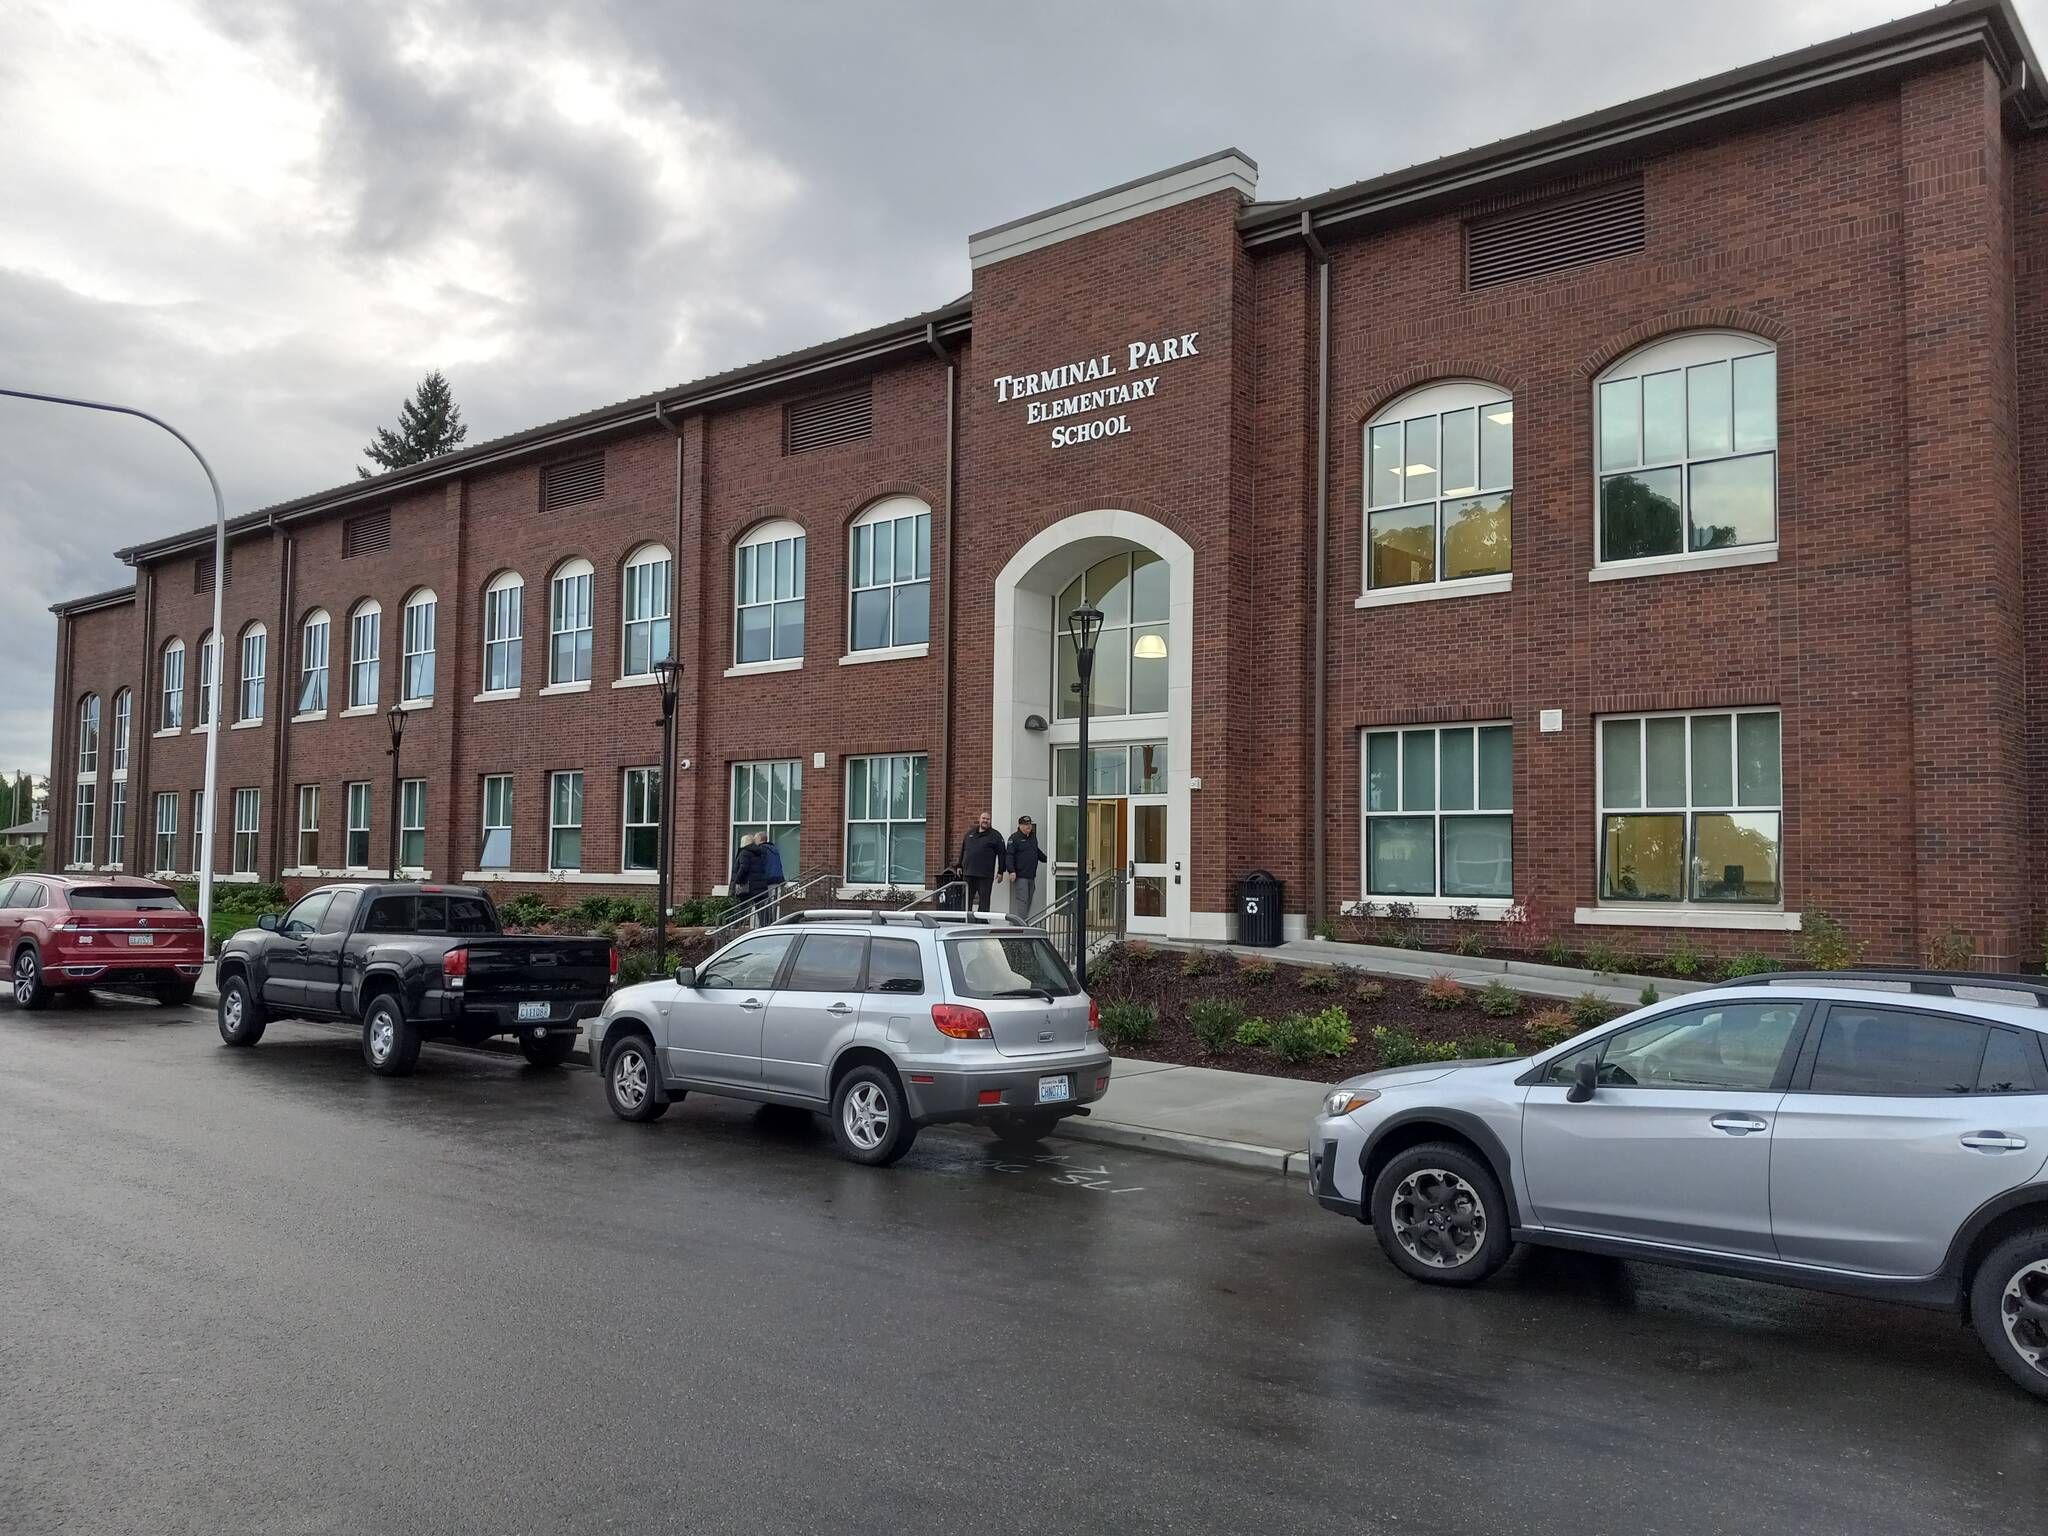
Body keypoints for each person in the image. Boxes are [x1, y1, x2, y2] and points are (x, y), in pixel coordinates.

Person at [954, 811, 1007, 914]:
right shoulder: (970, 834)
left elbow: (1002, 854)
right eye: (983, 818)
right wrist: (959, 865)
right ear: (979, 819)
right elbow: (963, 850)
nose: (985, 821)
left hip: (985, 875)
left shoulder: (996, 836)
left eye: (987, 819)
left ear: (990, 821)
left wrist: (1001, 871)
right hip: (968, 873)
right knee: (966, 900)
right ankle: (965, 920)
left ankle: (982, 922)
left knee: (984, 900)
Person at [1005, 814, 1045, 923]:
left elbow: (1036, 851)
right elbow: (1009, 855)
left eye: (1030, 824)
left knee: (1029, 900)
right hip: (1020, 876)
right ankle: (1021, 926)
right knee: (1023, 901)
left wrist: (1048, 859)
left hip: (1031, 875)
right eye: (1026, 824)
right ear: (1020, 826)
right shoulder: (1014, 838)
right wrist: (1011, 871)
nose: (1029, 826)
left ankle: (1022, 922)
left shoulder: (1032, 837)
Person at [731, 832, 763, 923]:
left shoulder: (744, 853)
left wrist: (737, 881)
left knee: (742, 907)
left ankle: (737, 926)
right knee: (761, 908)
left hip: (747, 885)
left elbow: (743, 868)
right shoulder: (757, 853)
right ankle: (766, 926)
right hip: (758, 884)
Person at [755, 832, 786, 923]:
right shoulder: (774, 849)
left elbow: (760, 865)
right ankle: (776, 922)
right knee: (775, 905)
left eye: (756, 839)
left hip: (768, 880)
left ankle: (767, 925)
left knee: (765, 904)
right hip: (778, 879)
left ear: (761, 839)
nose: (755, 841)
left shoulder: (761, 849)